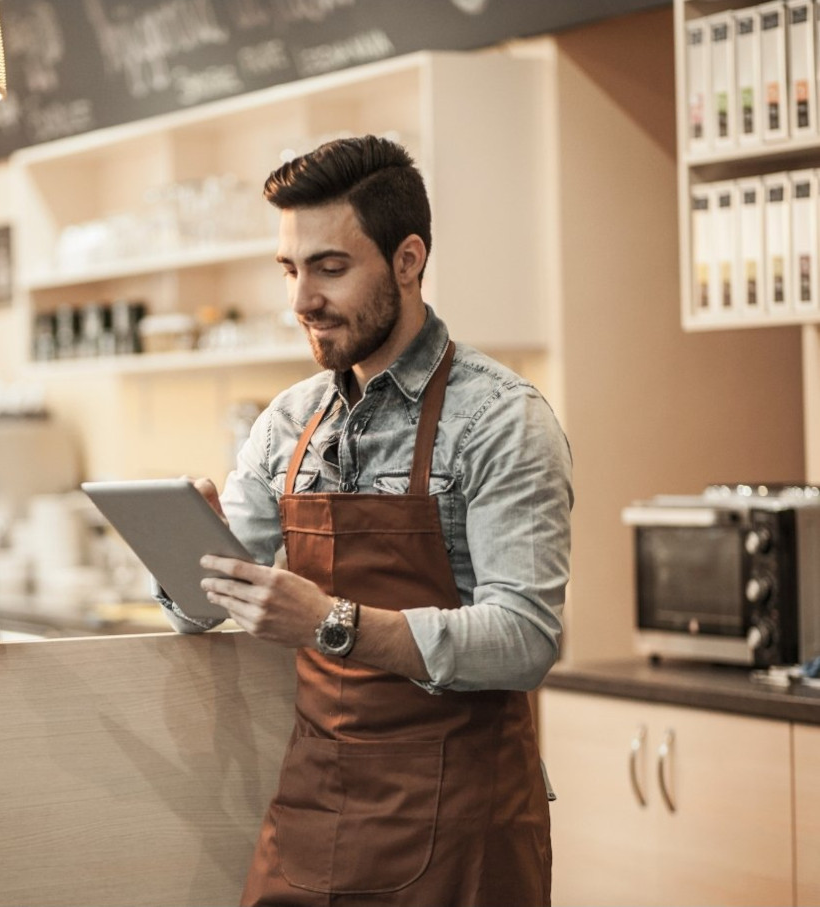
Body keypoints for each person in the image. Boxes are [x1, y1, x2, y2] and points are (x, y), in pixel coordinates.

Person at [158, 134, 573, 906]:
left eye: (330, 267)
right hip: (316, 804)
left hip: (460, 821)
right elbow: (200, 613)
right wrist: (191, 550)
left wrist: (330, 622)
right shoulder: (289, 421)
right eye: (290, 268)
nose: (300, 299)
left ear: (408, 260)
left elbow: (526, 638)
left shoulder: (500, 420)